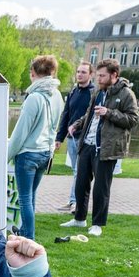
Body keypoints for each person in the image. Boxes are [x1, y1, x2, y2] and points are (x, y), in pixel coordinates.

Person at [61, 58, 139, 236]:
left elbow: (133, 120)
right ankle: (79, 219)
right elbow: (89, 113)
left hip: (106, 148)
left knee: (101, 188)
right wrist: (77, 124)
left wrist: (109, 113)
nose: (99, 79)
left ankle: (97, 224)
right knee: (81, 184)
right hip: (87, 144)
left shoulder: (126, 94)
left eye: (102, 76)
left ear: (114, 75)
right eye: (98, 75)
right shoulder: (98, 92)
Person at [7, 54, 63, 239]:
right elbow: (55, 126)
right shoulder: (57, 95)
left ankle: (28, 237)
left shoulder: (34, 98)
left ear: (33, 73)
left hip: (29, 154)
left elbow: (20, 132)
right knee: (31, 196)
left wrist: (5, 156)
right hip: (46, 152)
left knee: (24, 198)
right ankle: (25, 232)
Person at [53, 61, 95, 213]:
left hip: (85, 138)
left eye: (84, 72)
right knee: (75, 171)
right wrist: (59, 138)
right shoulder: (73, 92)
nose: (80, 74)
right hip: (71, 138)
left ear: (91, 75)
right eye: (78, 72)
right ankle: (73, 201)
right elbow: (66, 115)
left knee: (80, 171)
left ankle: (75, 202)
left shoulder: (94, 93)